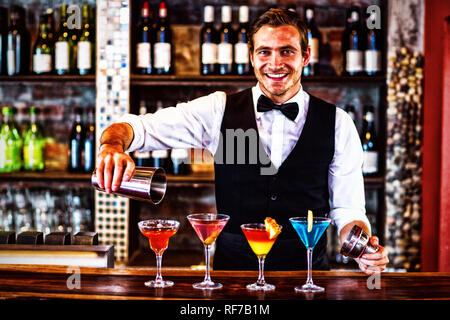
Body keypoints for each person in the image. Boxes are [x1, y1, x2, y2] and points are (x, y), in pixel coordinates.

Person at [96, 9, 389, 274]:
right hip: (232, 277)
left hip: (307, 276)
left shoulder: (338, 122)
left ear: (306, 56)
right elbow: (138, 128)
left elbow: (347, 210)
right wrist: (112, 146)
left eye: (287, 51)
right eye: (264, 52)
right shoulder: (217, 110)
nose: (275, 63)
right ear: (251, 56)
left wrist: (361, 246)